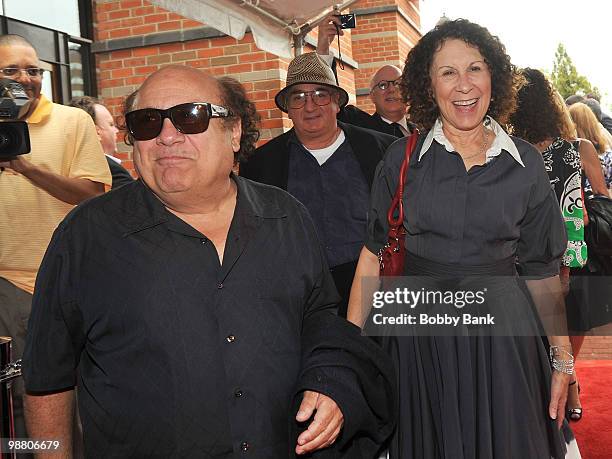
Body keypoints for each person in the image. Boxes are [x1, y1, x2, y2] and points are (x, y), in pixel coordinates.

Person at [22, 65, 396, 458]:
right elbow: (47, 377)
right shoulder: (85, 236)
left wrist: (330, 380)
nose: (167, 136)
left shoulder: (287, 216)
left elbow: (319, 320)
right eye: (147, 122)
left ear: (233, 132)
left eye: (190, 116)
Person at [347, 19, 577, 458]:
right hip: (419, 339)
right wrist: (347, 353)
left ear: (494, 77)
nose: (463, 85)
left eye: (475, 68)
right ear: (428, 86)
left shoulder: (526, 164)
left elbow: (541, 272)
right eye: (447, 72)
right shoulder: (401, 158)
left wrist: (562, 359)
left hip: (504, 343)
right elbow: (373, 255)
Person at [0, 34, 111, 439]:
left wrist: (28, 168)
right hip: (4, 283)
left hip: (57, 281)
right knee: (12, 402)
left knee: (62, 396)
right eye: (10, 70)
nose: (25, 78)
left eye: (33, 70)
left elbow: (93, 194)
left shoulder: (72, 121)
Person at [240, 52, 396, 317]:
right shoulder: (260, 164)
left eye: (320, 94)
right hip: (301, 299)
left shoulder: (383, 150)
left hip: (379, 290)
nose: (310, 106)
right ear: (287, 108)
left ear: (337, 102)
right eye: (298, 97)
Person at [509, 68, 609, 423]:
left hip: (525, 255)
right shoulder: (576, 150)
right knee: (566, 324)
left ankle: (568, 382)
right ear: (552, 104)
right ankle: (570, 382)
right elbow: (591, 204)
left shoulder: (511, 153)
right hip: (565, 255)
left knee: (545, 326)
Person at [316, 15, 414, 137]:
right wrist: (323, 49)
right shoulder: (359, 125)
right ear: (372, 96)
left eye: (398, 84)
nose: (391, 89)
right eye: (383, 85)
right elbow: (330, 103)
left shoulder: (424, 130)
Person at [69, 96, 134, 188]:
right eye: (111, 124)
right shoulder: (112, 173)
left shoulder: (68, 169)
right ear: (96, 132)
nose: (116, 130)